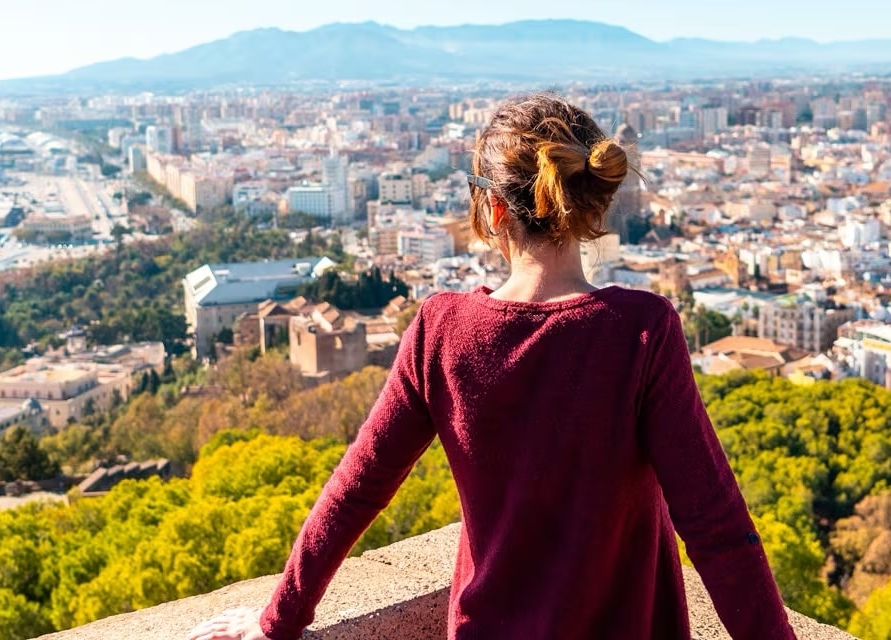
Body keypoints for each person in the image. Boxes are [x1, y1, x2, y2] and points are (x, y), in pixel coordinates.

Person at [188, 93, 794, 640]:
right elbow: (715, 525)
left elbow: (357, 488)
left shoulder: (442, 329)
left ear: (494, 212)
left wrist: (278, 621)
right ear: (588, 204)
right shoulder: (640, 330)